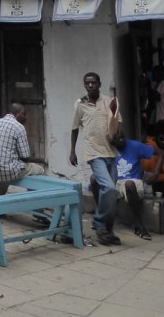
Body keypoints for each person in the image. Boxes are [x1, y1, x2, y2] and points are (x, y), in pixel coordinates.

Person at [69, 72, 122, 246]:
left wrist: (117, 136)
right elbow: (75, 128)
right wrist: (72, 151)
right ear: (84, 85)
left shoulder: (109, 102)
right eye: (87, 83)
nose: (90, 86)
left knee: (110, 195)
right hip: (94, 153)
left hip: (111, 152)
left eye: (93, 83)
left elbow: (117, 124)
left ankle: (108, 231)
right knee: (110, 188)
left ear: (99, 84)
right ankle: (98, 222)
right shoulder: (80, 104)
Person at [93, 131, 161, 240]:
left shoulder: (135, 145)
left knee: (129, 185)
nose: (121, 141)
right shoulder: (108, 149)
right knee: (94, 179)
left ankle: (139, 225)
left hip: (132, 180)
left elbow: (159, 152)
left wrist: (156, 173)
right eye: (117, 139)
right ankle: (101, 219)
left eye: (123, 138)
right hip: (115, 181)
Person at [0, 103, 45, 195]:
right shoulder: (19, 127)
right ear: (16, 114)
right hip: (7, 171)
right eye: (24, 114)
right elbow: (25, 156)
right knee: (39, 170)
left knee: (1, 174)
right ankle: (36, 205)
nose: (26, 117)